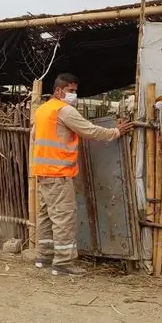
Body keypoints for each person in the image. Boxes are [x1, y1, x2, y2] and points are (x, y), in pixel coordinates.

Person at [31, 74, 133, 275]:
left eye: (75, 91)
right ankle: (62, 263)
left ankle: (44, 256)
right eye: (71, 91)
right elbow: (90, 131)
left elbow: (35, 135)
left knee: (46, 216)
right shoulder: (64, 110)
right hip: (59, 173)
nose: (74, 95)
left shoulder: (42, 110)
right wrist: (115, 132)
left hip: (42, 173)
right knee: (63, 218)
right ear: (59, 91)